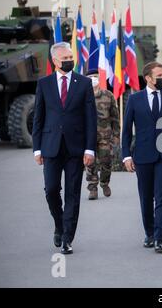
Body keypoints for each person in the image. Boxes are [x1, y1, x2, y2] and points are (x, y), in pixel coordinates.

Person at [32, 42, 97, 255]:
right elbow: (38, 118)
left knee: (73, 193)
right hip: (50, 147)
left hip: (75, 148)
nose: (70, 61)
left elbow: (90, 119)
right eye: (65, 58)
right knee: (51, 190)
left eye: (71, 57)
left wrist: (90, 149)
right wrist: (37, 149)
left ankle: (67, 237)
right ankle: (59, 225)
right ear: (55, 61)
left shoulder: (84, 83)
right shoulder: (44, 83)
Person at [121, 61, 162, 254]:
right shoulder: (135, 99)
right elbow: (126, 131)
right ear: (148, 78)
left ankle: (160, 238)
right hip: (142, 156)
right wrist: (126, 156)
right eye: (159, 76)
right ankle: (149, 233)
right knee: (146, 198)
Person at [84, 69, 120, 200]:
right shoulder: (82, 96)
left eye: (95, 76)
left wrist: (116, 135)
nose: (93, 79)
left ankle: (105, 183)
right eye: (90, 77)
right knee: (90, 163)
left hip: (105, 135)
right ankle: (92, 188)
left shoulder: (108, 95)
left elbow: (115, 117)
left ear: (99, 78)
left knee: (106, 161)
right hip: (88, 137)